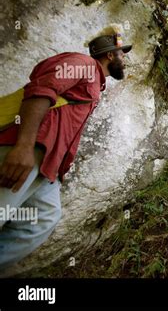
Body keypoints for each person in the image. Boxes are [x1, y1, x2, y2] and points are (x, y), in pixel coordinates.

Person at [0, 24, 132, 270]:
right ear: (110, 54)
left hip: (46, 169)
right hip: (26, 150)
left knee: (41, 219)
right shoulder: (81, 63)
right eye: (122, 53)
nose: (125, 60)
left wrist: (58, 172)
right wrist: (24, 147)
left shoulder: (95, 82)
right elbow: (40, 91)